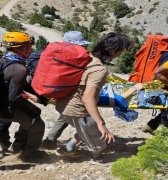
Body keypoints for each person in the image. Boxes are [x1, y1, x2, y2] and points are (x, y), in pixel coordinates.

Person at [54, 32, 134, 164]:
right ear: (113, 51)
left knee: (87, 129)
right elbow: (88, 98)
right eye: (120, 51)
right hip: (78, 109)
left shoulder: (86, 58)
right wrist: (101, 123)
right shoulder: (99, 69)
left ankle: (68, 148)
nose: (120, 54)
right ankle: (97, 157)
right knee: (97, 133)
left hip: (64, 102)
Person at [0, 32, 47, 161]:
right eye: (29, 47)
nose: (31, 50)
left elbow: (23, 85)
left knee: (35, 112)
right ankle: (29, 154)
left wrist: (41, 97)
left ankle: (17, 147)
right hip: (6, 107)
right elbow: (14, 97)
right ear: (23, 49)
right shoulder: (19, 68)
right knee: (38, 125)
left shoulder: (1, 61)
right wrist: (30, 101)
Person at [42, 30, 92, 150]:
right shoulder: (77, 57)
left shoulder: (61, 55)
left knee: (64, 115)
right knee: (88, 123)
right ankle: (72, 146)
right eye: (82, 45)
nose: (84, 48)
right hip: (73, 92)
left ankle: (50, 139)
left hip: (62, 90)